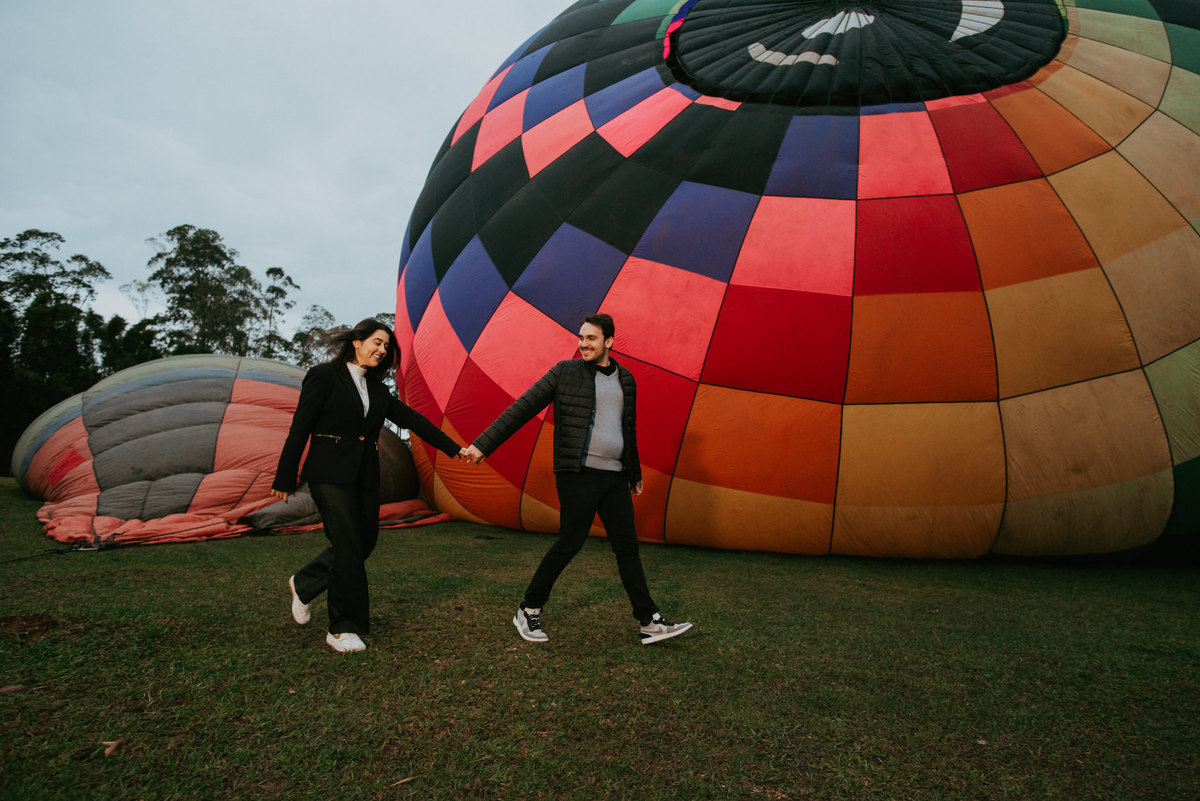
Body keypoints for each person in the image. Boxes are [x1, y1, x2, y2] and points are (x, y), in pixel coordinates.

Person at [463, 313, 692, 646]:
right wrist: (484, 445)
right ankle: (528, 609)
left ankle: (648, 621)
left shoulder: (626, 380)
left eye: (591, 338)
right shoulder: (564, 372)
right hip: (578, 473)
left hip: (614, 475)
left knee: (627, 548)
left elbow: (627, 430)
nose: (583, 344)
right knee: (570, 542)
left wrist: (634, 471)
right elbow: (523, 407)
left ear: (609, 342)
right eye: (581, 337)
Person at [271, 318, 466, 653]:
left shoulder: (378, 389)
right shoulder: (324, 376)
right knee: (347, 545)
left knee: (365, 543)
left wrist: (454, 447)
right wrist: (285, 476)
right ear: (357, 342)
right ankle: (341, 629)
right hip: (329, 472)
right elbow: (300, 426)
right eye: (377, 342)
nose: (382, 350)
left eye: (387, 346)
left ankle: (304, 583)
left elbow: (412, 420)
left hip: (364, 475)